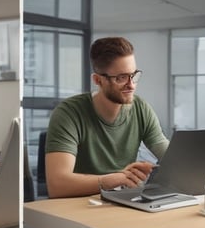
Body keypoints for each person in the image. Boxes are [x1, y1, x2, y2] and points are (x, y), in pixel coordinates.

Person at [44, 36, 169, 198]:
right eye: (121, 78)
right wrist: (114, 179)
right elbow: (57, 185)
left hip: (121, 202)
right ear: (98, 80)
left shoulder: (141, 108)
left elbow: (167, 153)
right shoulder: (69, 113)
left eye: (134, 75)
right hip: (79, 206)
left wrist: (197, 170)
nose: (131, 85)